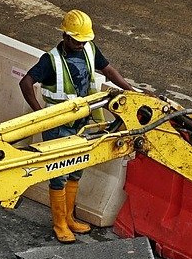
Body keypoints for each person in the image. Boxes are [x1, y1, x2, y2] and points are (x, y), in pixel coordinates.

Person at [19, 9, 134, 244]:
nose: (82, 45)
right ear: (66, 36)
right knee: (59, 174)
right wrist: (39, 113)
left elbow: (108, 69)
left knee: (75, 171)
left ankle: (69, 218)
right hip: (58, 127)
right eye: (77, 41)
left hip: (82, 124)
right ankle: (59, 223)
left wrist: (129, 89)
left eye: (85, 41)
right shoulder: (50, 60)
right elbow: (26, 81)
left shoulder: (89, 48)